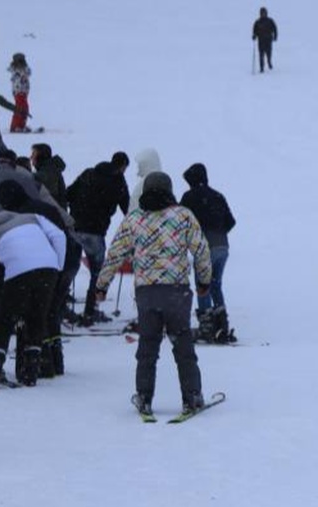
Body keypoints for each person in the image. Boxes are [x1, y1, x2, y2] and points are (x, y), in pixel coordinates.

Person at [95, 171, 213, 415]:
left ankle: (144, 396)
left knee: (148, 347)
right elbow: (201, 250)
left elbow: (115, 253)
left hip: (147, 292)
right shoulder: (183, 216)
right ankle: (192, 396)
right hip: (177, 291)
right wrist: (204, 281)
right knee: (182, 344)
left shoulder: (135, 219)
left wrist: (101, 285)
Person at [0, 183, 66, 388]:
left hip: (19, 272)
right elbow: (59, 235)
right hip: (48, 268)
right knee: (36, 317)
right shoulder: (32, 218)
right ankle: (30, 371)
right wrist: (57, 264)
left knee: (4, 320)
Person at [0, 179, 73, 379]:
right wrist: (59, 266)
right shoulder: (45, 208)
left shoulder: (20, 215)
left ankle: (33, 366)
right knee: (50, 313)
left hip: (38, 266)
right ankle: (55, 362)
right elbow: (62, 234)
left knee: (31, 315)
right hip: (60, 262)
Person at [66, 152, 130, 324]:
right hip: (95, 231)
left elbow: (69, 193)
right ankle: (90, 311)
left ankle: (58, 307)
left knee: (69, 268)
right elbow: (128, 211)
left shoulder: (88, 173)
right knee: (97, 274)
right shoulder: (119, 182)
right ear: (123, 166)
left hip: (74, 227)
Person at [181, 163, 237, 344]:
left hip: (205, 247)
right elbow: (231, 221)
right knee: (215, 285)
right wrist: (218, 231)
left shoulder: (189, 197)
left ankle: (206, 327)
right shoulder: (218, 196)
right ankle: (222, 323)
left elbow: (180, 222)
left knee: (202, 284)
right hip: (222, 246)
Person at [8, 52, 32, 132]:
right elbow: (17, 73)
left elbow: (28, 72)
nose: (20, 63)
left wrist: (24, 70)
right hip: (18, 92)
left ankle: (21, 125)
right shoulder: (15, 70)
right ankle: (15, 126)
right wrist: (21, 71)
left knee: (24, 108)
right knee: (20, 108)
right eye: (19, 61)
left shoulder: (24, 68)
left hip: (24, 92)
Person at [252, 7, 278, 73]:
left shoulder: (270, 21)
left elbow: (275, 28)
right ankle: (261, 68)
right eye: (262, 13)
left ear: (266, 13)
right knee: (261, 54)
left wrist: (275, 36)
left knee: (268, 54)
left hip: (268, 40)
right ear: (260, 14)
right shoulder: (257, 22)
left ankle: (269, 62)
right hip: (261, 40)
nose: (263, 14)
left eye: (264, 13)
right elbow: (254, 31)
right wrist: (254, 36)